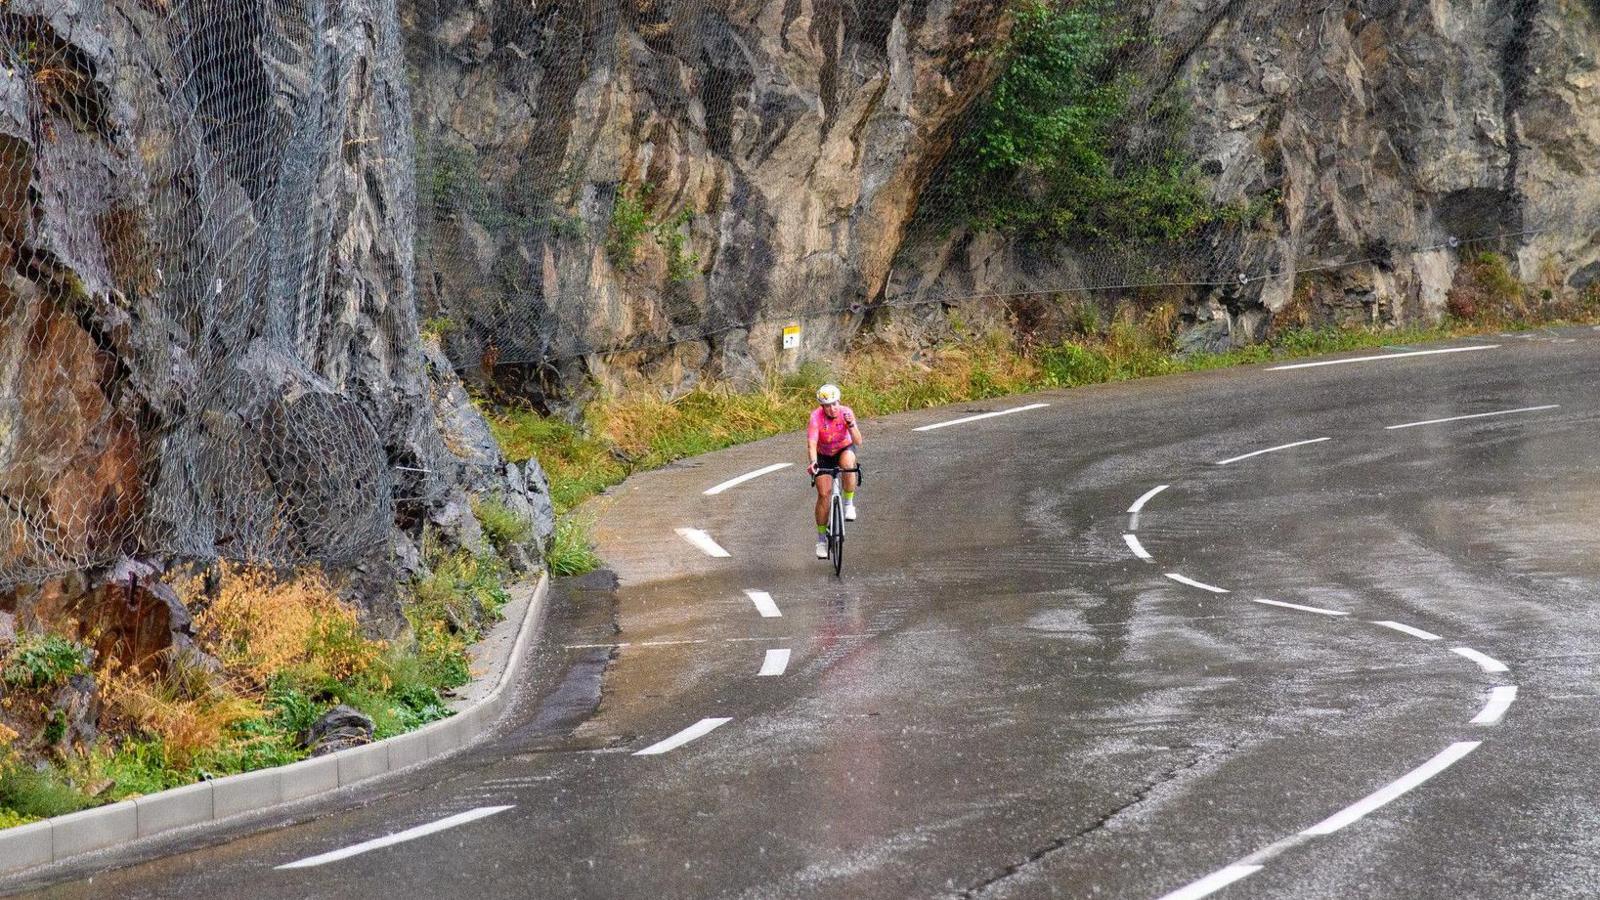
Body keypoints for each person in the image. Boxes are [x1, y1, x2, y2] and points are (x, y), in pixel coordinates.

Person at [806, 383, 863, 559]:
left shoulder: (846, 412)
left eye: (834, 404)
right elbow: (812, 444)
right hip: (823, 454)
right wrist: (814, 462)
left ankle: (848, 504)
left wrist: (851, 425)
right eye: (827, 405)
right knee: (824, 494)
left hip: (843, 449)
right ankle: (821, 541)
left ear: (839, 401)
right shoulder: (815, 417)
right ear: (822, 406)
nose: (832, 409)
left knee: (848, 464)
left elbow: (858, 441)